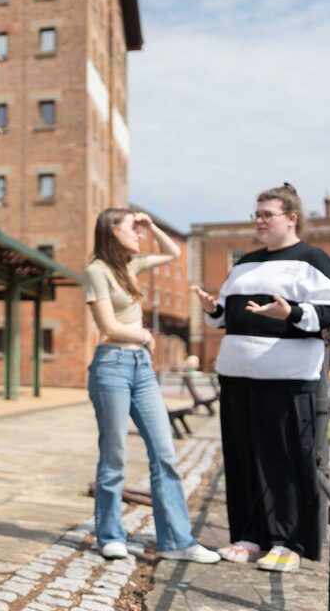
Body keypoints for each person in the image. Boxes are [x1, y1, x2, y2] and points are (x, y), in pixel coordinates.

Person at [192, 183, 330, 572]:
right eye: (255, 214)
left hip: (288, 378)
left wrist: (290, 313)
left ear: (291, 218)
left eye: (266, 214)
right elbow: (228, 316)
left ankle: (289, 543)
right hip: (237, 376)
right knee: (242, 458)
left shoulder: (314, 260)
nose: (258, 221)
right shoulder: (244, 263)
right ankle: (249, 536)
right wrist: (213, 309)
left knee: (286, 459)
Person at [84, 209, 220, 564]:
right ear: (112, 231)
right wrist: (144, 334)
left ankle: (177, 542)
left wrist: (150, 224)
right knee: (114, 455)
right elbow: (109, 326)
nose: (139, 236)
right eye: (132, 229)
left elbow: (174, 253)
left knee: (165, 453)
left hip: (142, 370)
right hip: (111, 367)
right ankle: (110, 534)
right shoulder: (95, 272)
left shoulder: (131, 266)